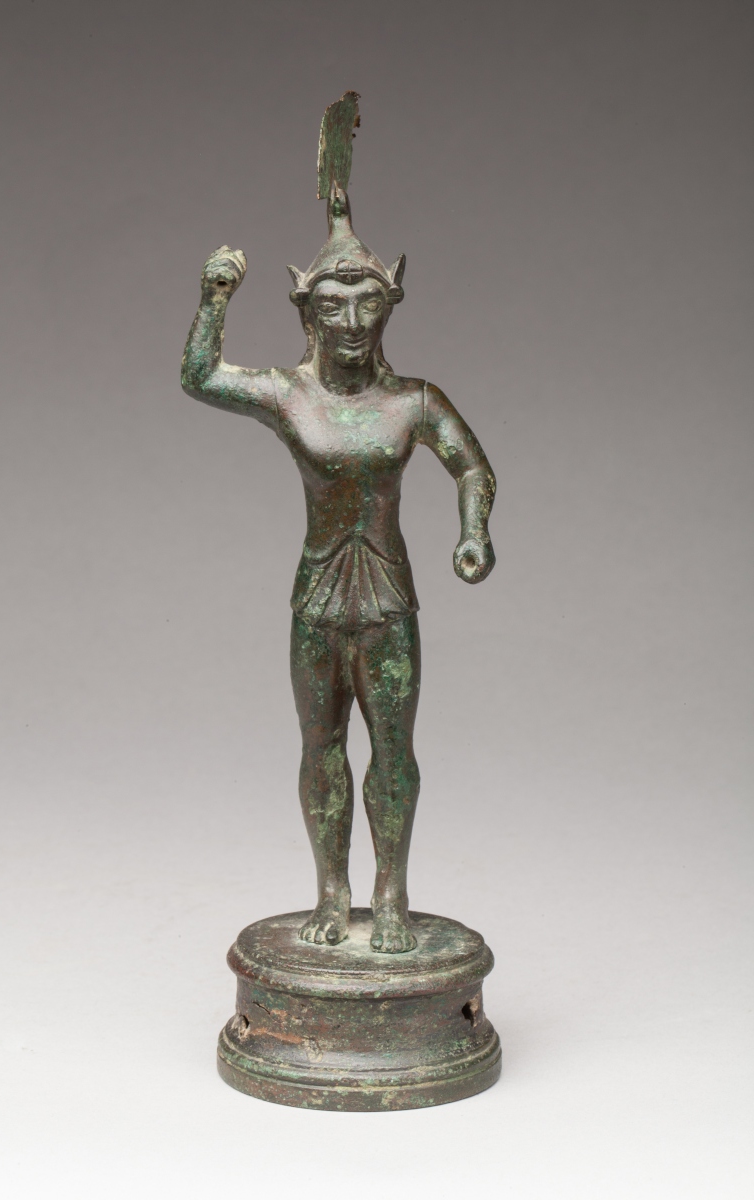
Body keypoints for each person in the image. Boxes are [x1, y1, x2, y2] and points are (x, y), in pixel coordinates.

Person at [181, 181, 496, 953]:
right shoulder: (290, 396)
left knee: (392, 752)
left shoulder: (414, 401)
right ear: (307, 312)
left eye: (367, 305)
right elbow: (200, 377)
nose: (351, 323)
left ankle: (390, 896)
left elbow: (472, 466)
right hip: (317, 603)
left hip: (388, 601)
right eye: (333, 306)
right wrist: (214, 299)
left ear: (389, 308)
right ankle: (332, 892)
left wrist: (474, 531)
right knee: (320, 749)